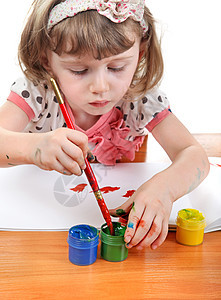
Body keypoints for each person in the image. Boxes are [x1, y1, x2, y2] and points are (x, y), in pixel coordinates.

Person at [0, 0, 209, 250]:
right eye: (78, 70)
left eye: (117, 67)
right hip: (36, 235)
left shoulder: (140, 99)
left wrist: (164, 189)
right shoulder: (36, 93)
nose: (101, 87)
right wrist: (34, 148)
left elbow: (194, 155)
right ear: (47, 61)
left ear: (140, 53)